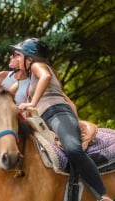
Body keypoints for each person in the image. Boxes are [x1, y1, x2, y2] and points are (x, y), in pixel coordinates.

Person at [14, 38, 113, 201]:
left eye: (20, 55)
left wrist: (32, 103)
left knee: (73, 149)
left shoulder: (37, 66)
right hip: (48, 119)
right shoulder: (34, 80)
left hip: (58, 113)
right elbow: (72, 105)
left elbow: (45, 76)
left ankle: (102, 195)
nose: (16, 59)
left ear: (30, 58)